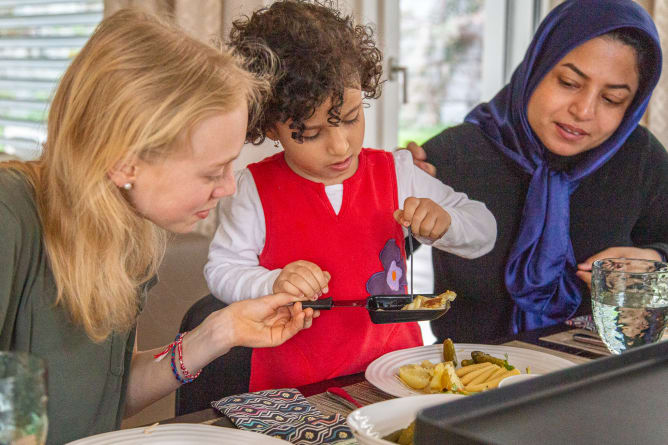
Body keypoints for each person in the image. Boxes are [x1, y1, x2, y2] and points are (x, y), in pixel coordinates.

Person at [0, 9, 318, 445]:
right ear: (123, 161)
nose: (228, 187)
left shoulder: (127, 228)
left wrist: (216, 334)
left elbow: (104, 396)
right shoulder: (9, 215)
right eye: (212, 173)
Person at [204, 0, 497, 392]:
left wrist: (447, 223)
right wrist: (271, 283)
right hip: (293, 388)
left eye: (352, 117)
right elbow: (222, 269)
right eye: (311, 132)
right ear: (270, 126)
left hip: (398, 376)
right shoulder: (251, 189)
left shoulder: (397, 171)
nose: (340, 146)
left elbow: (484, 229)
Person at [405, 0, 668, 343]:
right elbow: (368, 258)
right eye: (569, 82)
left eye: (612, 99)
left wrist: (654, 261)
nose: (583, 110)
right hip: (467, 383)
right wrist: (374, 185)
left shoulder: (639, 159)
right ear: (536, 67)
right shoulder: (455, 155)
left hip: (595, 377)